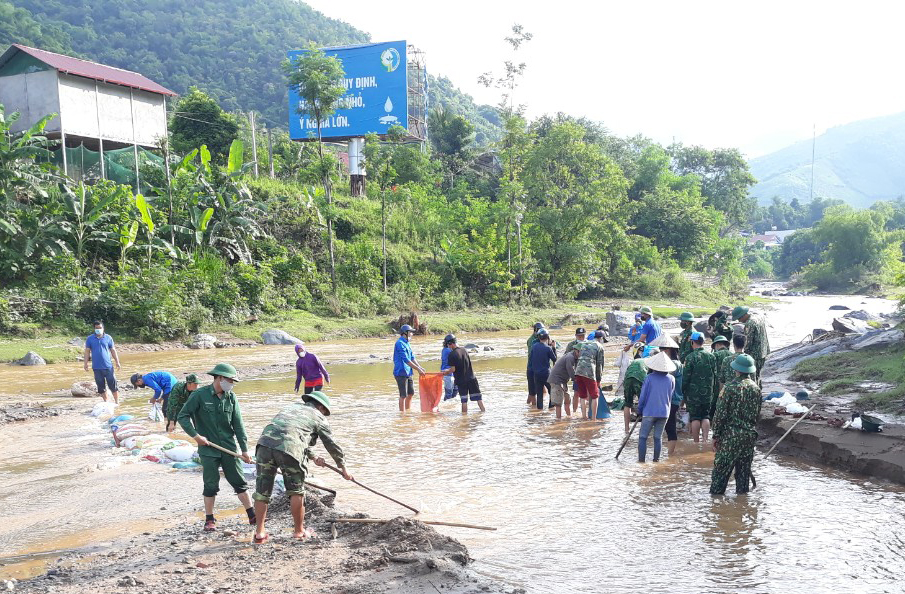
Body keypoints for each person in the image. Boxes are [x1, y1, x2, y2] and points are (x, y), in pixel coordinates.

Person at [252, 391, 352, 543]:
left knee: (262, 491)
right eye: (324, 411)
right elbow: (331, 445)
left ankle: (259, 533)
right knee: (296, 491)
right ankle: (299, 531)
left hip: (264, 446)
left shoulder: (290, 408)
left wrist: (313, 457)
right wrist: (343, 468)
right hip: (290, 451)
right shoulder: (318, 416)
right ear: (320, 407)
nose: (324, 414)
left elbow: (291, 434)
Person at [177, 363, 255, 532]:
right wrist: (196, 436)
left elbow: (238, 425)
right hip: (208, 449)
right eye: (230, 380)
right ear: (219, 378)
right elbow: (182, 416)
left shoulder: (231, 397)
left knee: (239, 482)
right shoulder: (199, 395)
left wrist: (244, 450)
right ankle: (209, 519)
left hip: (229, 447)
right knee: (211, 484)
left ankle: (252, 515)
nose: (231, 383)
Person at [710, 354, 761, 495]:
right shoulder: (756, 389)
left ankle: (716, 509)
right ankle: (740, 509)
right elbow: (756, 415)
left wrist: (716, 436)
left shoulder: (729, 388)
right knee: (743, 478)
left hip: (730, 438)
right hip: (749, 437)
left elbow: (720, 415)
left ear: (736, 369)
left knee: (719, 477)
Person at [637, 352, 676, 462]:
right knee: (657, 438)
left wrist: (639, 410)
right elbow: (670, 395)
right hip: (664, 413)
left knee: (643, 437)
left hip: (649, 412)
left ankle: (641, 462)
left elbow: (643, 397)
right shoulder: (672, 379)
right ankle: (656, 461)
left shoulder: (649, 378)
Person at [650, 334, 683, 455]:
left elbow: (665, 377)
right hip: (665, 400)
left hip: (671, 400)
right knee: (665, 427)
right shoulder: (671, 363)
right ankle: (666, 454)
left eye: (662, 349)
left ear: (668, 350)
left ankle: (669, 454)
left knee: (669, 427)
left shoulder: (675, 364)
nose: (660, 351)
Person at [682, 332, 716, 443]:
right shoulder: (711, 356)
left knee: (695, 417)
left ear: (692, 342)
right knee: (705, 416)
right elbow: (715, 375)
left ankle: (696, 442)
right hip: (708, 392)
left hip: (693, 394)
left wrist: (682, 391)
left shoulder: (690, 357)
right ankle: (705, 440)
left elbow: (685, 377)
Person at [443, 336, 486, 414]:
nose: (448, 347)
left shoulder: (452, 355)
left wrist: (444, 372)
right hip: (472, 378)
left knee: (464, 401)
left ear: (451, 344)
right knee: (478, 398)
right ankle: (483, 413)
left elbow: (453, 369)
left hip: (461, 381)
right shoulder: (464, 350)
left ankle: (464, 419)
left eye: (448, 345)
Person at [83, 320, 122, 404]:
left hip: (108, 367)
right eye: (96, 328)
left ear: (103, 328)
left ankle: (117, 402)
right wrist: (85, 363)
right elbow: (87, 351)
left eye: (100, 328)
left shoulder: (108, 338)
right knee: (101, 387)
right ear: (94, 329)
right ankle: (106, 402)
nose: (98, 329)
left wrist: (117, 362)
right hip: (96, 368)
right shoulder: (90, 339)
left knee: (113, 386)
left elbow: (113, 350)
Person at [732, 306, 771, 384]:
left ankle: (753, 394)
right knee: (758, 375)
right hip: (764, 351)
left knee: (752, 377)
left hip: (755, 354)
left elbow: (748, 343)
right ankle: (758, 392)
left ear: (743, 315)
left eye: (739, 318)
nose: (739, 321)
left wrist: (743, 356)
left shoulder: (749, 324)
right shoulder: (758, 317)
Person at [574, 330, 606, 420]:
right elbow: (600, 364)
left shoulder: (585, 343)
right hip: (589, 372)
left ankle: (584, 417)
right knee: (595, 396)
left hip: (578, 371)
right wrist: (598, 380)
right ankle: (593, 419)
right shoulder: (599, 346)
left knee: (583, 395)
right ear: (601, 339)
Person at [394, 325, 426, 412]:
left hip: (408, 372)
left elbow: (412, 357)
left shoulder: (407, 343)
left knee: (411, 393)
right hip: (401, 372)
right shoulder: (399, 343)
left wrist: (419, 367)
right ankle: (402, 414)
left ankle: (408, 411)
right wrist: (417, 369)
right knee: (403, 395)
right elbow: (406, 360)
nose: (412, 334)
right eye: (410, 332)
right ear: (405, 333)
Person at [622, 345, 648, 432]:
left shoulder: (634, 361)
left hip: (628, 379)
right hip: (639, 379)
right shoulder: (649, 361)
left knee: (627, 403)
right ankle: (644, 429)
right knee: (645, 404)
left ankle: (626, 429)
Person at [528, 329, 557, 409]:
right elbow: (554, 359)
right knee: (552, 392)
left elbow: (530, 358)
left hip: (536, 374)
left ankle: (539, 412)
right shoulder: (548, 348)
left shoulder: (534, 346)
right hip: (546, 373)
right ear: (547, 337)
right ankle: (551, 408)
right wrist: (554, 348)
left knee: (539, 394)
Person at [548, 348, 579, 419]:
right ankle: (558, 421)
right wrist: (576, 380)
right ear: (577, 351)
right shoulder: (570, 357)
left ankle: (569, 417)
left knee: (568, 400)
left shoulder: (574, 357)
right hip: (556, 380)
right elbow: (570, 370)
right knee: (558, 403)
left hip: (563, 381)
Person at [710, 335, 732, 418]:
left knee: (715, 404)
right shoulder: (732, 355)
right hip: (731, 384)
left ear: (717, 345)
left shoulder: (715, 355)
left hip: (717, 384)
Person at [441, 335, 457, 401]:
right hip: (448, 374)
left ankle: (449, 406)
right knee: (449, 393)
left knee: (453, 391)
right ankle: (447, 406)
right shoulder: (448, 350)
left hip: (449, 373)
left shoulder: (445, 349)